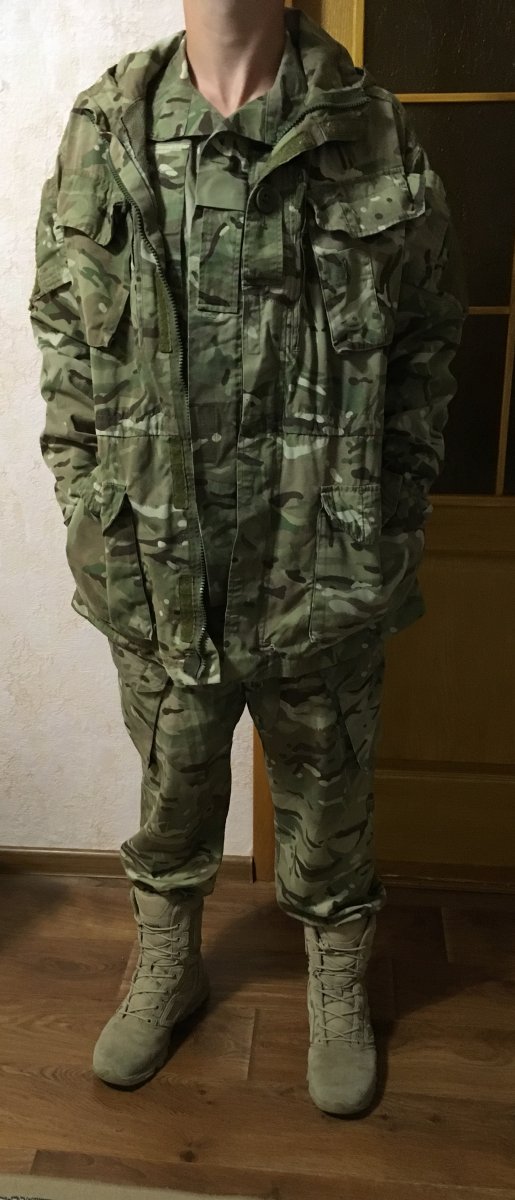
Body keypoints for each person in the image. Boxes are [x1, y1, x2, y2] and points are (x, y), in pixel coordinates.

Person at [28, 0, 468, 1115]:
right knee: (171, 789)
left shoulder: (370, 129)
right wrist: (86, 496)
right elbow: (64, 333)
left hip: (324, 563)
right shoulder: (107, 128)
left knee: (329, 798)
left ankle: (336, 976)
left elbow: (426, 338)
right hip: (156, 561)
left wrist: (392, 509)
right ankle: (166, 963)